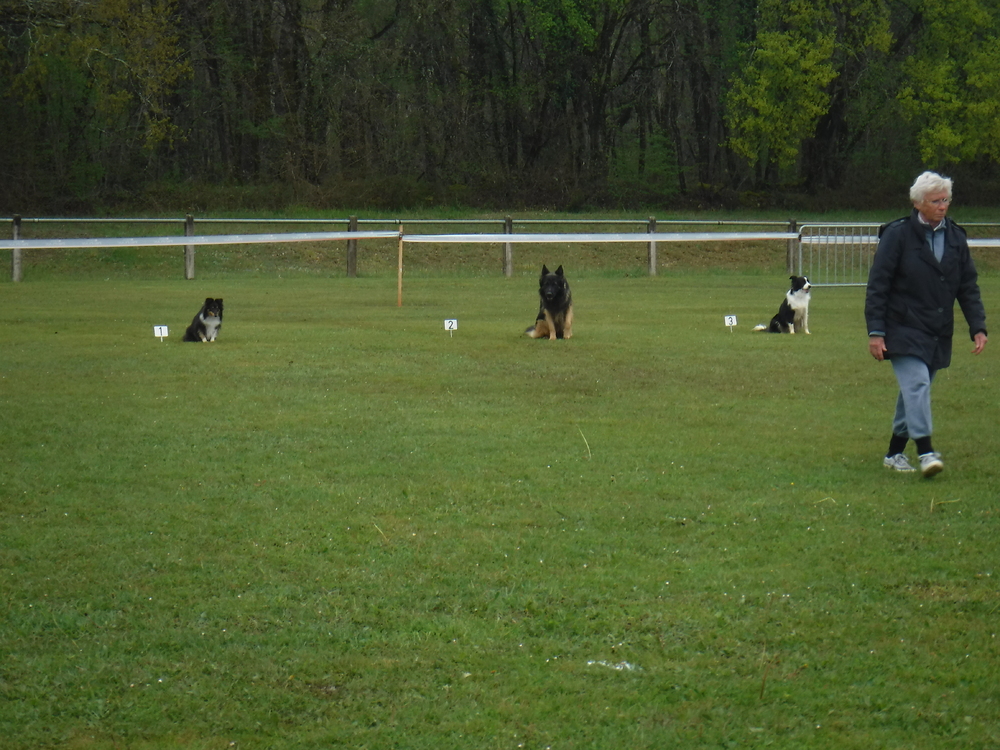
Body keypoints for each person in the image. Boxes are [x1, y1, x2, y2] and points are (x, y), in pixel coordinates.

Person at [865, 171, 987, 477]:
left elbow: (967, 287)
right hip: (901, 327)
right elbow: (878, 285)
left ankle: (894, 454)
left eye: (945, 199)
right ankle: (926, 451)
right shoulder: (897, 235)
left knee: (913, 393)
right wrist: (876, 333)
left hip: (938, 330)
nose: (942, 206)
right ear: (918, 203)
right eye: (935, 201)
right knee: (917, 385)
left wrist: (978, 326)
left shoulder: (956, 237)